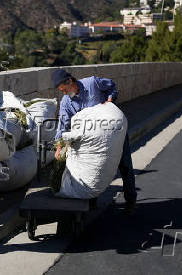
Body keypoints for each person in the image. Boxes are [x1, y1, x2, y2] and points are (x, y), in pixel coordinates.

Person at [52, 69, 137, 215]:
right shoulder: (67, 102)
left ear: (70, 81)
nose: (64, 93)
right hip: (89, 144)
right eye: (61, 91)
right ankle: (91, 201)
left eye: (65, 90)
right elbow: (63, 125)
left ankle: (130, 200)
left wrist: (110, 101)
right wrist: (58, 147)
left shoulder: (92, 83)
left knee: (125, 165)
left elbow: (111, 86)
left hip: (111, 135)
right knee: (90, 166)